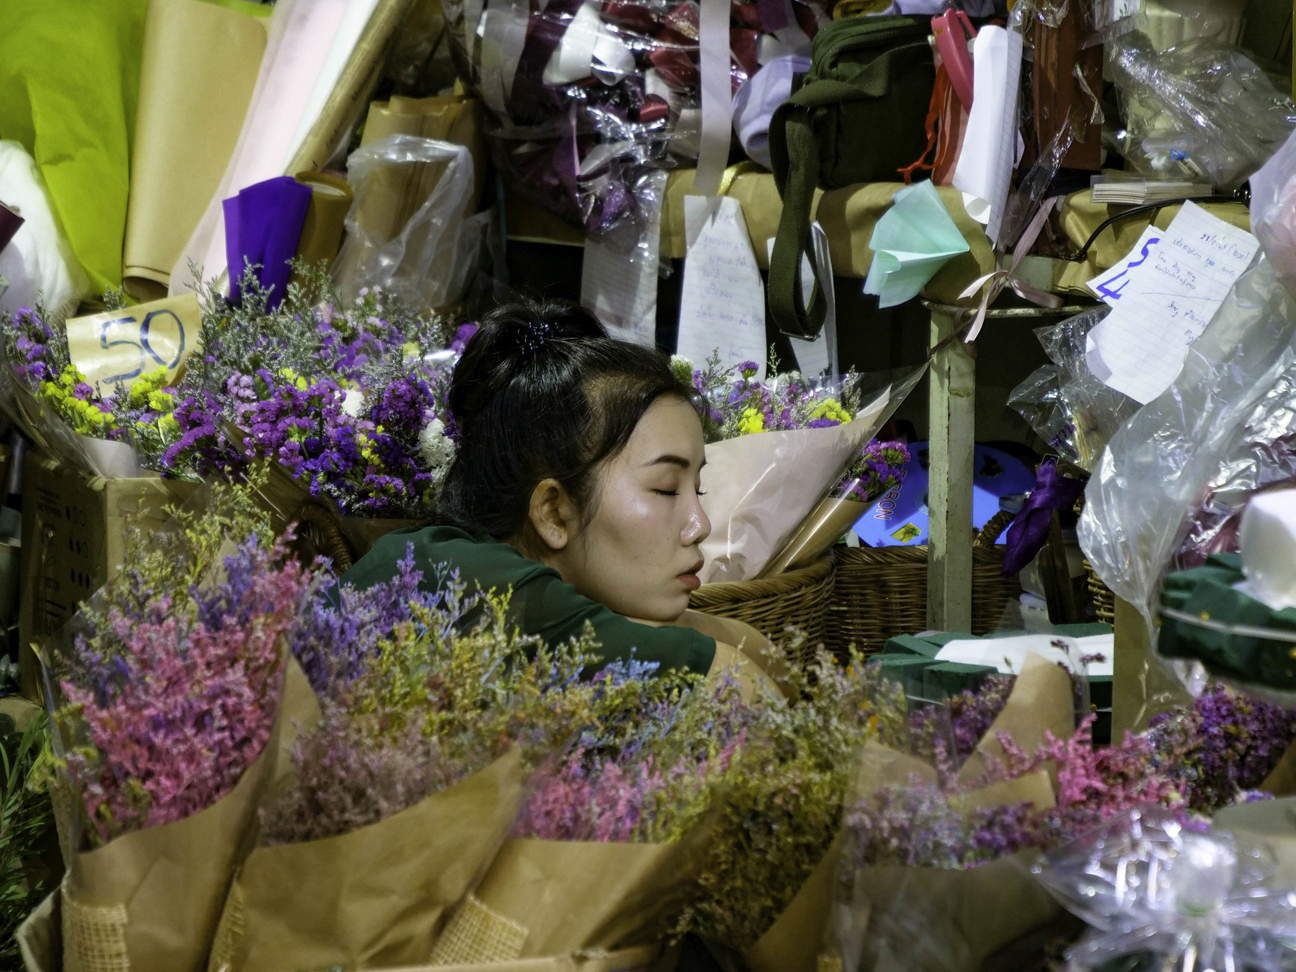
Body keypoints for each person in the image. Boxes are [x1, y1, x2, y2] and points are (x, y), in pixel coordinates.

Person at [343, 299, 787, 694]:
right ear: (553, 512)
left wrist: (664, 624)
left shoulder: (484, 572)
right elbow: (744, 686)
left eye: (698, 488)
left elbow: (768, 659)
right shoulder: (470, 581)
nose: (700, 524)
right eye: (665, 488)